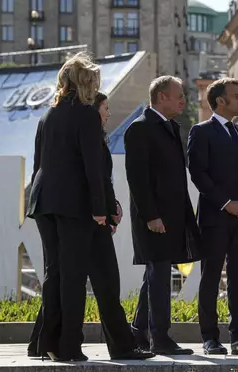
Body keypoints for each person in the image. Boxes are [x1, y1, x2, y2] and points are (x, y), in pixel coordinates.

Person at [26, 93, 154, 361]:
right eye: (105, 108)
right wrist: (103, 212)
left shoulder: (52, 120)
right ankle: (120, 345)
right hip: (85, 215)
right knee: (96, 280)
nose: (108, 114)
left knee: (63, 276)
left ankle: (43, 342)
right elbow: (93, 173)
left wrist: (110, 207)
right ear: (93, 109)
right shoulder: (86, 126)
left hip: (70, 210)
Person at [26, 52, 107, 362]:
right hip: (73, 204)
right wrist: (100, 208)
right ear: (85, 83)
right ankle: (68, 347)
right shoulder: (86, 115)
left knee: (53, 273)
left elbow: (38, 166)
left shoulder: (48, 115)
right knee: (72, 276)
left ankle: (44, 343)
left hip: (44, 200)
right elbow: (92, 167)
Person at [125, 76, 203, 355]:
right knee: (158, 274)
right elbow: (137, 178)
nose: (183, 99)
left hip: (171, 215)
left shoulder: (170, 127)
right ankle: (160, 337)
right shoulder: (140, 128)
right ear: (160, 97)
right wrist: (151, 216)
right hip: (153, 218)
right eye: (178, 95)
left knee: (155, 275)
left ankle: (138, 331)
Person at [187, 78, 238, 355]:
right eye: (236, 95)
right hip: (215, 218)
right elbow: (198, 174)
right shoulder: (201, 131)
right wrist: (226, 203)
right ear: (220, 101)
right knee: (210, 277)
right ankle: (210, 338)